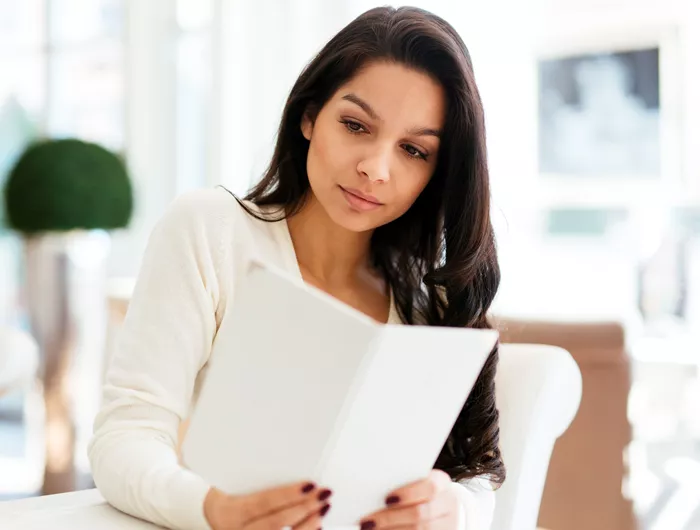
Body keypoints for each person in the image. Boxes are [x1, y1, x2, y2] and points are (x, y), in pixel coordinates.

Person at [89, 6, 504, 530]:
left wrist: (451, 510)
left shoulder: (430, 300)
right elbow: (124, 438)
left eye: (414, 150)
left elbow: (478, 480)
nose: (375, 169)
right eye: (355, 125)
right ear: (309, 116)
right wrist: (212, 509)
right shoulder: (212, 232)